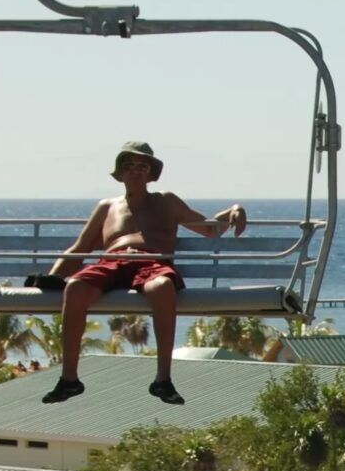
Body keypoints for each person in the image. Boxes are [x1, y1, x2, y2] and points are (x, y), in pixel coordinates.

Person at [34, 141, 249, 405]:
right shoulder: (107, 207)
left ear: (151, 173)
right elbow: (81, 247)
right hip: (112, 262)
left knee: (161, 288)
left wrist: (234, 210)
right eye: (129, 165)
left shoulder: (166, 201)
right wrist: (53, 276)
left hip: (152, 262)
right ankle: (69, 380)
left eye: (142, 166)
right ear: (120, 172)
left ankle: (163, 380)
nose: (135, 171)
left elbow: (208, 228)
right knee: (75, 288)